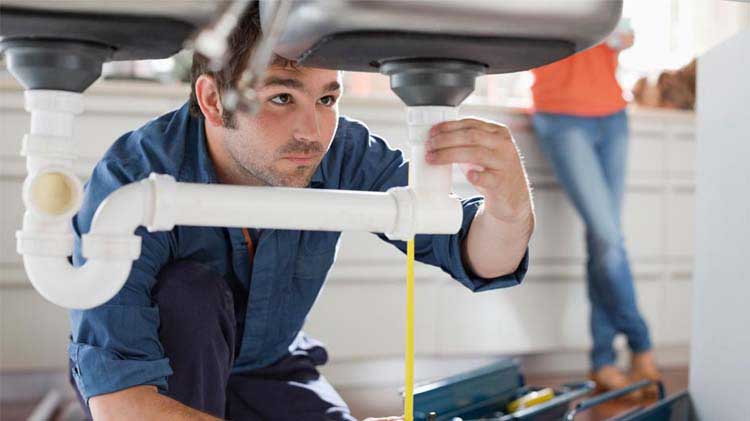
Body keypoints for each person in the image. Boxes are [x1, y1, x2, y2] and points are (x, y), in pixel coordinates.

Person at [68, 4, 534, 420]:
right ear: (213, 101)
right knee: (190, 292)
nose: (312, 132)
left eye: (327, 99)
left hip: (271, 368)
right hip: (160, 376)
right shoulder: (133, 180)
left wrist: (510, 208)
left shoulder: (342, 150)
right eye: (281, 97)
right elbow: (120, 401)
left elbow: (479, 255)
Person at [530, 25, 661, 394]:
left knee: (603, 242)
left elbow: (626, 37)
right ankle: (642, 344)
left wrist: (610, 33)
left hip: (613, 116)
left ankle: (603, 360)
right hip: (562, 116)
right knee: (608, 237)